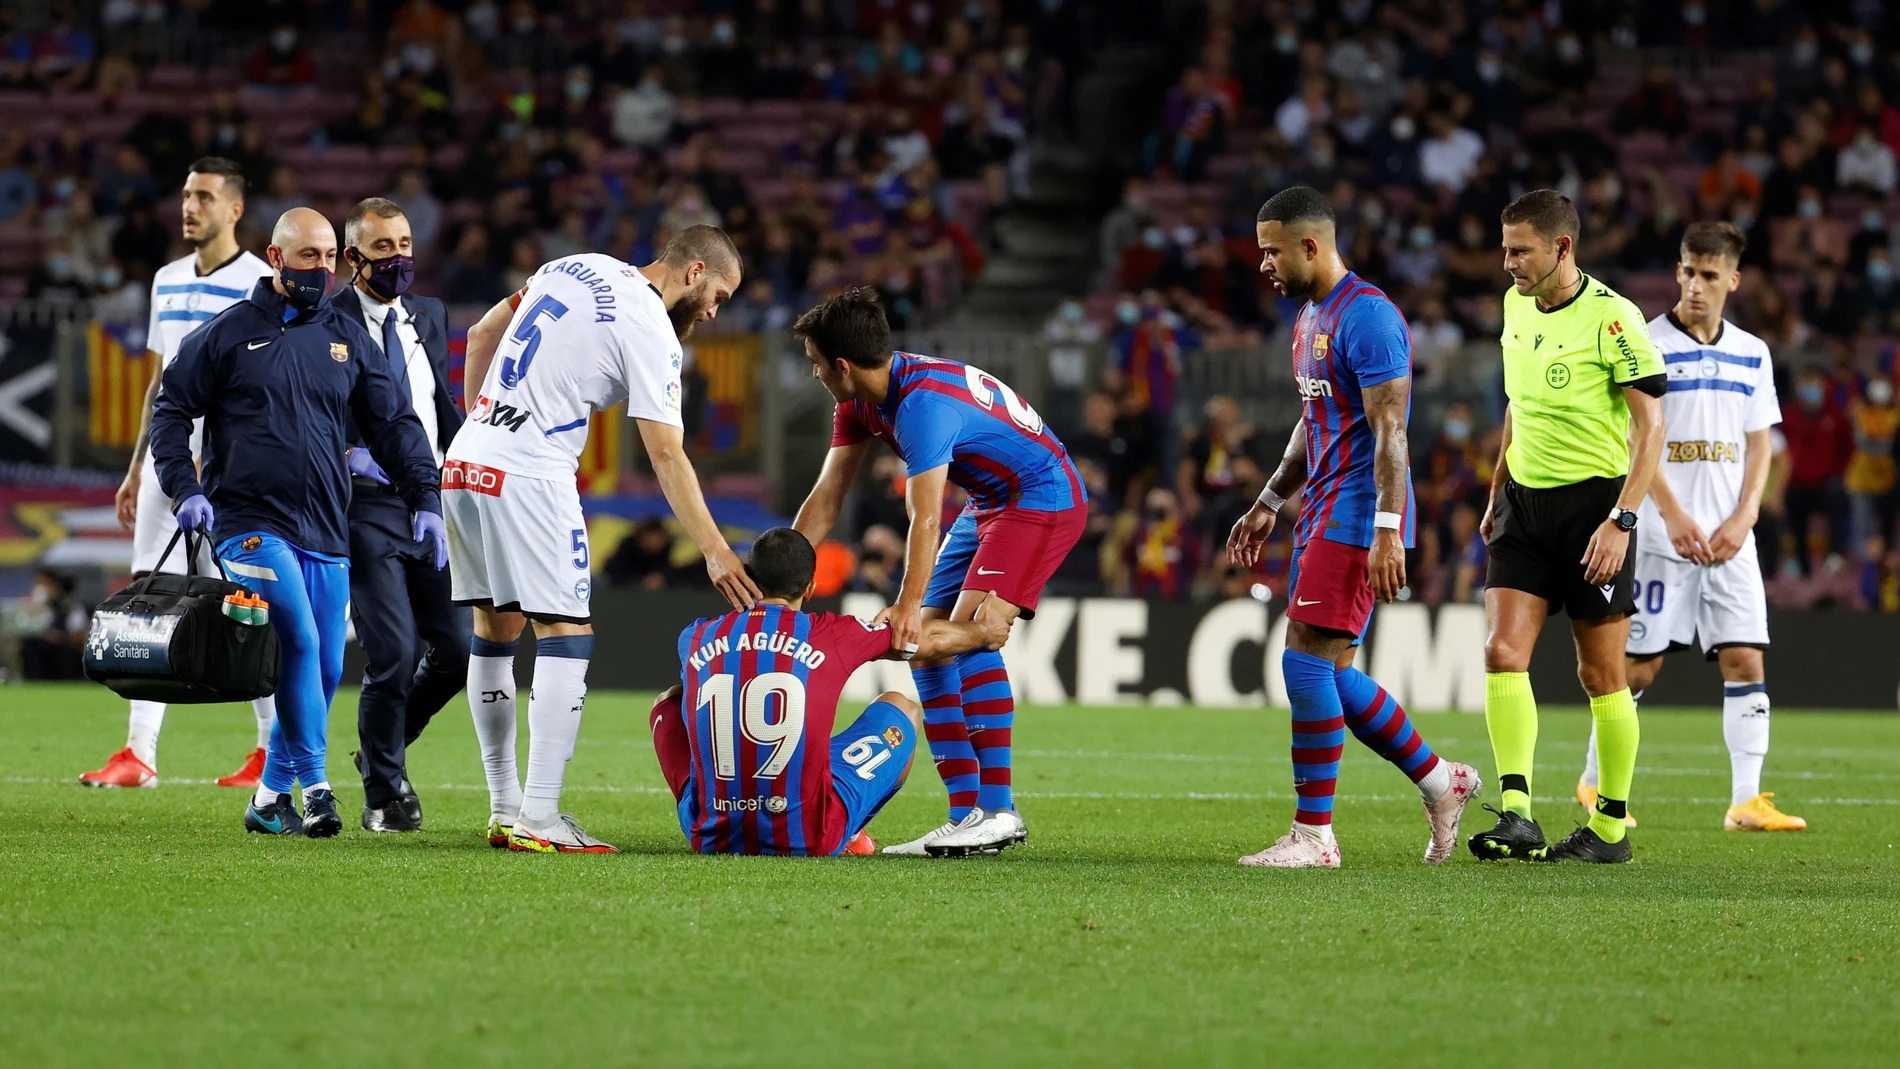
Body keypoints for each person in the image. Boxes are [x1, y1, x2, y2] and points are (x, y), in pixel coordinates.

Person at [449, 225, 758, 854]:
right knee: (568, 633)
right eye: (720, 295)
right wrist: (714, 547)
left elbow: (483, 334)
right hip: (531, 470)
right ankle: (539, 816)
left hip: (468, 455)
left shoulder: (578, 264)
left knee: (495, 627)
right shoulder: (650, 326)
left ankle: (506, 808)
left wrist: (480, 423)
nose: (716, 310)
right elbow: (666, 454)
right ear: (695, 271)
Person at [151, 207, 444, 839]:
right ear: (276, 257)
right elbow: (170, 410)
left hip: (326, 527)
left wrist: (425, 495)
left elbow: (393, 421)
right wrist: (184, 489)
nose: (324, 268)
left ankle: (266, 798)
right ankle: (316, 789)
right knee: (302, 643)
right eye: (309, 256)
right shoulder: (225, 335)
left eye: (331, 256)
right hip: (249, 522)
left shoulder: (345, 338)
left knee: (326, 668)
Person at [1225, 186, 1480, 869]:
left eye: (1272, 251)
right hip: (1319, 510)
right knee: (1331, 672)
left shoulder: (1370, 317)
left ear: (1311, 245)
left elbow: (1390, 428)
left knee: (1302, 658)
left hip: (1358, 513)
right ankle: (1441, 781)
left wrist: (1388, 528)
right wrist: (1270, 499)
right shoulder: (1311, 317)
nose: (1264, 266)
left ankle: (1315, 835)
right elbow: (1316, 423)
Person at [791, 288, 1087, 858]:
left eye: (815, 363)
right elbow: (826, 496)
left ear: (843, 366)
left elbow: (924, 515)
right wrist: (787, 581)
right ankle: (965, 814)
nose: (815, 374)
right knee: (922, 646)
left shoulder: (922, 406)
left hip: (1039, 495)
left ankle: (998, 810)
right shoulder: (858, 402)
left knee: (971, 629)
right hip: (989, 501)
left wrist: (905, 600)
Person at [1573, 222, 1805, 834]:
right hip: (1658, 536)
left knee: (1745, 659)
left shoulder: (1753, 352)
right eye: (1686, 271)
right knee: (1640, 667)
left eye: (1708, 274)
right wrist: (1671, 515)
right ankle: (1594, 782)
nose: (1694, 285)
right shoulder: (1646, 344)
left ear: (1733, 279)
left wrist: (1746, 516)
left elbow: (1762, 445)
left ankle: (1746, 801)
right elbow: (1634, 438)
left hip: (1731, 538)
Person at [1468, 189, 1668, 864]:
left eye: (1520, 250)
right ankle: (1518, 812)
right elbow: (1517, 403)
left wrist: (1622, 521)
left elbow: (1651, 429)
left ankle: (1610, 827)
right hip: (1525, 505)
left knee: (1601, 673)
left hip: (1594, 510)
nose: (1508, 264)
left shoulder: (1614, 319)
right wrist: (1498, 481)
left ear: (1562, 248)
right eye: (1504, 249)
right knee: (1501, 651)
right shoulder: (1514, 305)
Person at [82, 158, 276, 791]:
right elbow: (159, 385)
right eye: (186, 195)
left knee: (244, 608)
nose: (189, 207)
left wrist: (222, 454)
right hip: (166, 468)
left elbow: (264, 386)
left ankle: (271, 751)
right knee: (153, 604)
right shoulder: (166, 280)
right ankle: (139, 755)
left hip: (225, 476)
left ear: (235, 210)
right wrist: (137, 466)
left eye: (204, 197)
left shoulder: (262, 284)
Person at [650, 528, 1011, 857]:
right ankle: (849, 833)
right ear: (810, 588)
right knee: (902, 707)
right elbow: (923, 640)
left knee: (669, 700)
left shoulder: (695, 635)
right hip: (810, 834)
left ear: (749, 578)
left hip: (712, 835)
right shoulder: (830, 634)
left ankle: (716, 805)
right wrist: (982, 632)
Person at [332, 197, 469, 833]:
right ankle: (385, 792)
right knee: (393, 652)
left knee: (460, 650)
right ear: (352, 257)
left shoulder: (430, 316)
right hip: (367, 508)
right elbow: (306, 410)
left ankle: (380, 750)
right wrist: (350, 453)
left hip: (432, 501)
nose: (398, 258)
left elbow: (440, 401)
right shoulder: (323, 322)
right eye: (383, 247)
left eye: (405, 244)